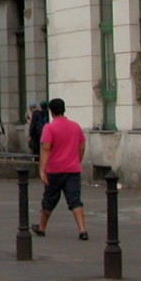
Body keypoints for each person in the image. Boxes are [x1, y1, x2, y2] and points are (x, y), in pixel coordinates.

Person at [32, 98, 89, 240]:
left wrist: (41, 169)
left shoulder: (49, 128)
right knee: (75, 200)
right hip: (72, 169)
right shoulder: (75, 126)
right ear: (64, 109)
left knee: (49, 199)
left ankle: (42, 227)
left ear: (51, 112)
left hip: (54, 170)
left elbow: (45, 148)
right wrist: (77, 160)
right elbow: (82, 146)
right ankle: (82, 230)